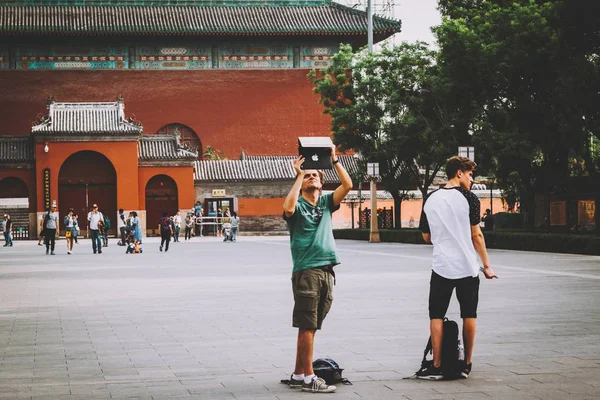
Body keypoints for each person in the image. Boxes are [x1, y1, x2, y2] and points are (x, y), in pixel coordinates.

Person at [418, 156, 498, 380]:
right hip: (467, 267)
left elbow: (426, 236)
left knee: (436, 314)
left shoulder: (430, 199)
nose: (472, 179)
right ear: (459, 173)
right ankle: (467, 364)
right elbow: (476, 235)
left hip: (441, 265)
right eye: (470, 174)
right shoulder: (470, 199)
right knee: (469, 314)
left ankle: (436, 365)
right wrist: (487, 266)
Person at [282, 145, 352, 393]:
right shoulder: (297, 205)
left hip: (326, 269)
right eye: (308, 176)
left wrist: (334, 161)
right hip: (307, 270)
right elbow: (288, 209)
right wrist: (298, 175)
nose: (312, 177)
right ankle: (310, 377)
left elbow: (347, 186)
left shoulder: (325, 203)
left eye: (315, 175)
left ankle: (299, 374)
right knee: (308, 325)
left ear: (322, 184)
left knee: (311, 324)